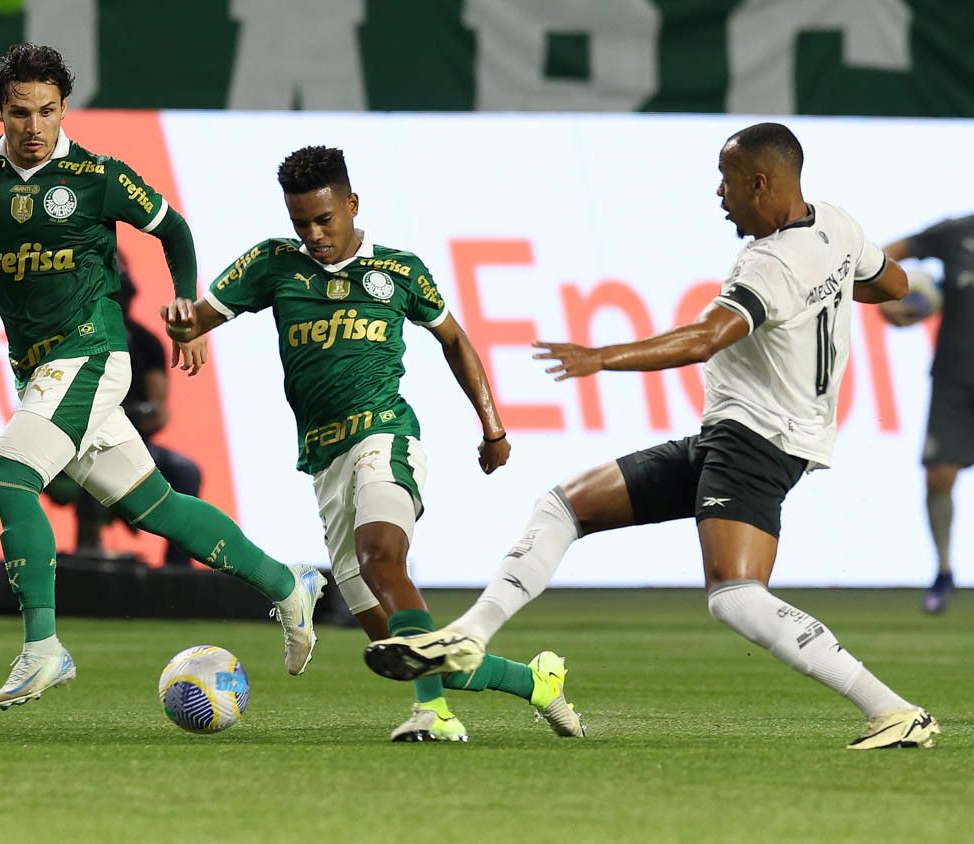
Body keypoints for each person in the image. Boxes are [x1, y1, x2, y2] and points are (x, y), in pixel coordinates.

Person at [364, 123, 940, 750]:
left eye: (726, 180)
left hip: (758, 441)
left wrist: (601, 357)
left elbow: (704, 338)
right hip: (738, 436)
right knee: (564, 505)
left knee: (736, 597)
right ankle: (470, 635)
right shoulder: (835, 225)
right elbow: (893, 285)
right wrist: (823, 285)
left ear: (759, 183)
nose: (719, 193)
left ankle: (893, 710)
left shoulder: (773, 263)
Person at [0, 44, 323, 711]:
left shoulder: (97, 175)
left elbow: (175, 230)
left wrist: (187, 305)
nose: (34, 126)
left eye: (47, 111)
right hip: (37, 366)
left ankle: (43, 648)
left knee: (9, 479)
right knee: (154, 506)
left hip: (93, 353)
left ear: (64, 110)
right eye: (20, 112)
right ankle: (287, 584)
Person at [162, 146, 585, 743]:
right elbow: (197, 319)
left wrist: (492, 427)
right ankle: (537, 683)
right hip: (325, 460)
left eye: (323, 220)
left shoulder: (398, 271)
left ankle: (433, 716)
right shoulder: (272, 264)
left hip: (384, 437)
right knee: (400, 647)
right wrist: (183, 321)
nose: (313, 235)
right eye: (301, 223)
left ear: (352, 204)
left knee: (381, 558)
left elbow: (455, 340)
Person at [0, 256, 203, 567]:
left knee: (185, 472)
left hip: (126, 441)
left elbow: (159, 413)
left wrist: (123, 416)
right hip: (63, 443)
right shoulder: (61, 336)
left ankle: (176, 575)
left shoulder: (146, 344)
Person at [878, 215, 974, 613]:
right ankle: (944, 570)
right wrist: (885, 299)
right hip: (955, 379)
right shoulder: (957, 233)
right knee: (938, 476)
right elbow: (885, 255)